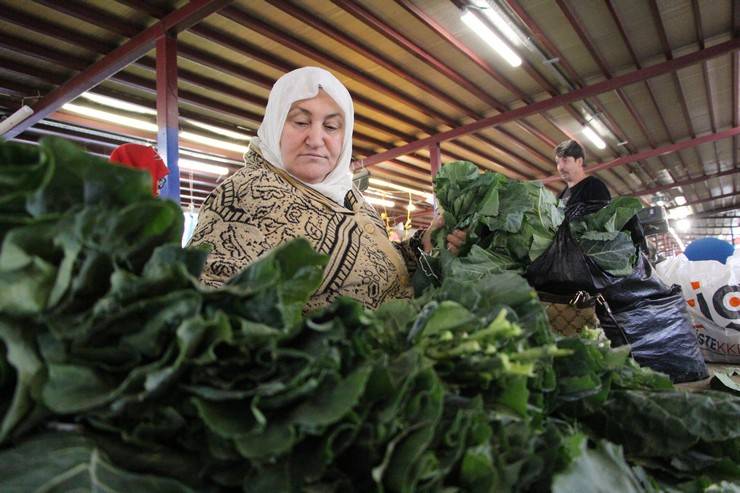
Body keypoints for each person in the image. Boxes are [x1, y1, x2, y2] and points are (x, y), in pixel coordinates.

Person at [189, 67, 464, 311]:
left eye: (331, 126)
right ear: (275, 124)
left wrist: (423, 243)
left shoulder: (349, 195)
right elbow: (208, 305)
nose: (316, 139)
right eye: (301, 122)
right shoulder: (244, 194)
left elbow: (380, 265)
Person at [555, 139, 647, 252]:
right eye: (557, 162)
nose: (560, 167)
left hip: (587, 256)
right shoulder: (561, 196)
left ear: (579, 161)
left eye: (565, 160)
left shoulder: (593, 186)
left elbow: (602, 226)